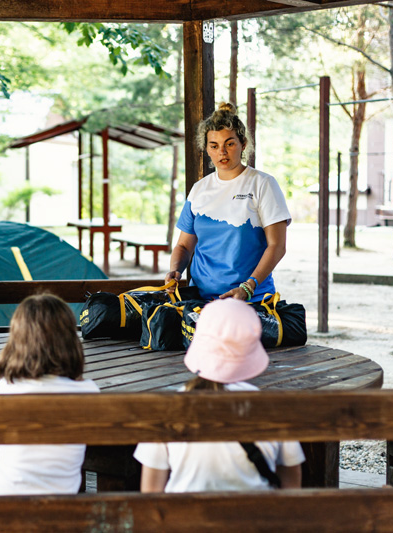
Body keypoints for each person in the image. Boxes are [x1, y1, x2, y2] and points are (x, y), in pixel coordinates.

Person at [134, 298, 304, 492]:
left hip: (184, 519)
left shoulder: (167, 410)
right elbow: (291, 484)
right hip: (256, 519)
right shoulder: (274, 410)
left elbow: (151, 490)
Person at [166, 102, 291, 303]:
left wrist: (248, 287)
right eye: (214, 146)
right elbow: (183, 245)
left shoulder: (263, 184)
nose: (222, 152)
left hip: (250, 299)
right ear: (206, 149)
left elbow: (277, 246)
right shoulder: (199, 189)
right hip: (200, 301)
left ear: (243, 144)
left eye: (229, 144)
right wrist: (175, 270)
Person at [0, 294, 99, 496]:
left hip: (3, 506)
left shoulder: (8, 387)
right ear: (69, 341)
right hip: (59, 511)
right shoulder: (88, 392)